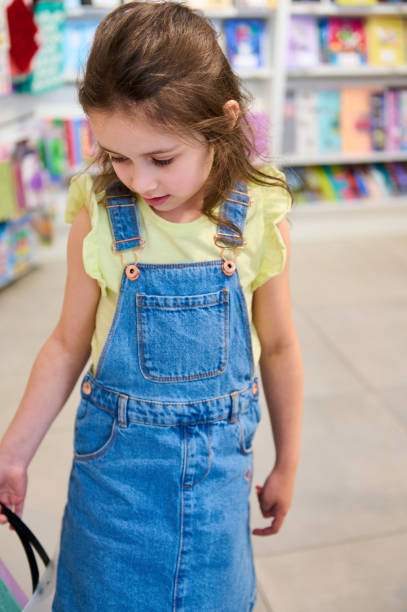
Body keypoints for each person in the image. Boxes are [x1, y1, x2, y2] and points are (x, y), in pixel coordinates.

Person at [0, 2, 303, 610]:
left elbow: (279, 345)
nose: (138, 181)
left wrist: (288, 461)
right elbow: (65, 344)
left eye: (161, 158)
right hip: (115, 486)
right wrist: (13, 454)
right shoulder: (99, 210)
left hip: (220, 484)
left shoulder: (261, 209)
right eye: (116, 155)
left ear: (223, 123)